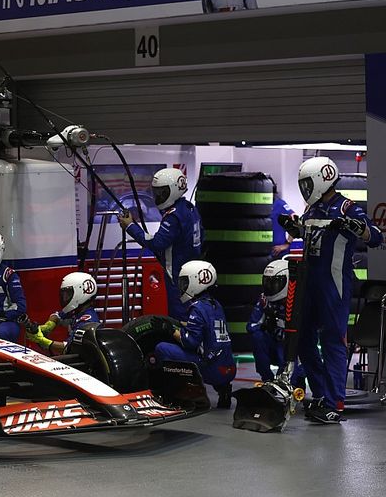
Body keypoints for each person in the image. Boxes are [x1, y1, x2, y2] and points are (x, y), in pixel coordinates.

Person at [286, 156, 383, 424]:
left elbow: (375, 236)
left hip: (334, 283)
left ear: (321, 180)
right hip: (310, 283)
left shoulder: (345, 207)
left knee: (332, 340)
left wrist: (359, 228)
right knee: (302, 339)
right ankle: (321, 394)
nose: (305, 189)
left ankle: (334, 402)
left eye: (307, 183)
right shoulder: (311, 209)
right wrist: (295, 228)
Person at [120, 168, 202, 321]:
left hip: (177, 276)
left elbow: (157, 243)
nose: (157, 196)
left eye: (162, 192)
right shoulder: (190, 209)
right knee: (193, 316)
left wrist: (130, 226)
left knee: (180, 318)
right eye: (156, 192)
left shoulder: (174, 215)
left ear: (174, 190)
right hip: (192, 272)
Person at [154, 260, 236, 408]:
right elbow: (206, 328)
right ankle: (223, 390)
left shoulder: (197, 308)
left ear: (196, 282)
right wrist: (179, 323)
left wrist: (170, 330)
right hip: (227, 368)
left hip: (210, 368)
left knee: (162, 348)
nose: (183, 287)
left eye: (185, 282)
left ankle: (179, 393)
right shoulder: (215, 305)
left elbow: (190, 342)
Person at [246, 259, 305, 389]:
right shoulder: (264, 300)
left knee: (289, 381)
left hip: (295, 349)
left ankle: (295, 380)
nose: (270, 287)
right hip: (275, 344)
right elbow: (251, 326)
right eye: (268, 282)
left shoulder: (300, 300)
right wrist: (267, 325)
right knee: (257, 337)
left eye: (275, 283)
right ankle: (266, 379)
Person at [26, 272, 100, 355]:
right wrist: (49, 325)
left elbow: (69, 348)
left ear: (80, 293)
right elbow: (57, 315)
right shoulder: (76, 311)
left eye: (68, 294)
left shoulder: (88, 322)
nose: (64, 298)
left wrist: (43, 341)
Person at [270, 184, 296, 258]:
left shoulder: (280, 204)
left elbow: (295, 220)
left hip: (278, 252)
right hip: (263, 253)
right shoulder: (259, 206)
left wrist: (287, 244)